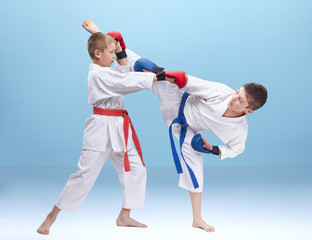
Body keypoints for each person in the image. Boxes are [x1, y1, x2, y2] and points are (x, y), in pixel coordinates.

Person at [83, 20, 267, 233]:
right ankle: (112, 43)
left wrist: (212, 149)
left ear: (248, 111)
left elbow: (236, 148)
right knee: (141, 65)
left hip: (185, 129)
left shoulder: (239, 130)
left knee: (196, 171)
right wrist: (162, 74)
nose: (233, 98)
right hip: (179, 100)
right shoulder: (221, 91)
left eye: (240, 100)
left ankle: (197, 219)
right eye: (237, 92)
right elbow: (189, 81)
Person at [37, 21, 186, 235]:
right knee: (85, 175)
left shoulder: (107, 70)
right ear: (97, 53)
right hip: (100, 127)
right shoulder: (98, 74)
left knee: (137, 168)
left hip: (119, 124)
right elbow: (126, 82)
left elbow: (123, 74)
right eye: (110, 52)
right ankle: (51, 216)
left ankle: (124, 215)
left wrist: (120, 49)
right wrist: (161, 76)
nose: (113, 56)